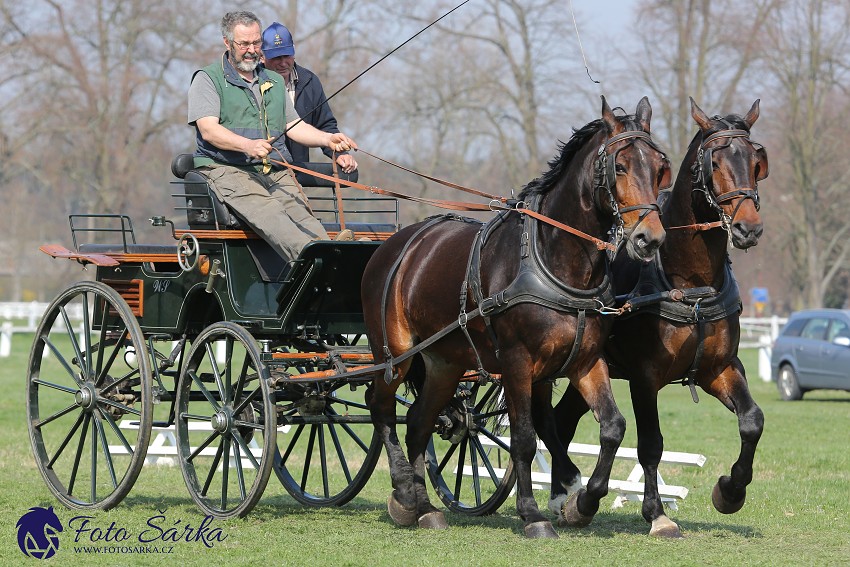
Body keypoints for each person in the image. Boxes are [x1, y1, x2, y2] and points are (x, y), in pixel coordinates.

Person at [188, 11, 357, 263]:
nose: (251, 50)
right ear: (227, 43)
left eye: (256, 43)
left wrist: (326, 139)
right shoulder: (208, 79)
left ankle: (332, 261)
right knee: (274, 217)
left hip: (275, 172)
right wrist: (247, 145)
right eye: (243, 43)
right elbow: (209, 130)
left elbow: (293, 125)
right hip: (229, 171)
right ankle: (319, 265)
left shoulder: (274, 81)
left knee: (305, 220)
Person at [261, 22, 358, 174]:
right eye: (276, 57)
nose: (283, 63)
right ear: (262, 56)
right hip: (262, 170)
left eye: (287, 55)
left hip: (298, 172)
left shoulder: (310, 81)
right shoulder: (253, 82)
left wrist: (340, 154)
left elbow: (325, 124)